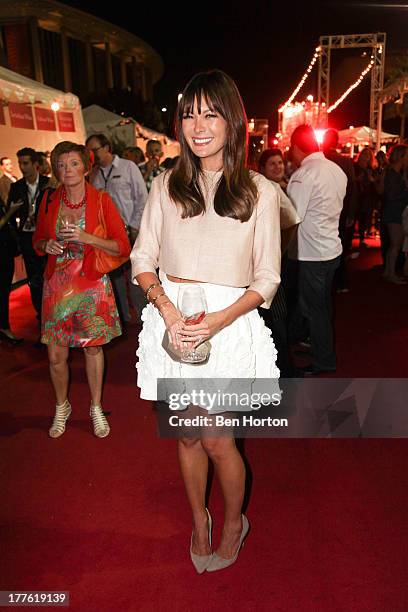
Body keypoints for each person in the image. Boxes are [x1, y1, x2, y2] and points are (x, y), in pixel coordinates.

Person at [131, 69, 281, 572]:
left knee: (219, 438)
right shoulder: (164, 185)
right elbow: (141, 258)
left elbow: (268, 278)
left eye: (210, 113)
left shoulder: (258, 190)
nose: (198, 125)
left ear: (231, 121)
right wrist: (168, 309)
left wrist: (219, 319)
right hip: (172, 320)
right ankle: (200, 519)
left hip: (229, 323)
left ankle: (235, 520)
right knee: (187, 435)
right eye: (189, 114)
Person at [33, 141, 131, 438]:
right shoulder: (49, 199)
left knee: (93, 349)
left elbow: (121, 246)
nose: (67, 170)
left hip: (91, 283)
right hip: (57, 285)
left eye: (74, 163)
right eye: (61, 165)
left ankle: (96, 407)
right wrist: (45, 245)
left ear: (86, 167)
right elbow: (37, 240)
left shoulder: (101, 200)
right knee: (55, 356)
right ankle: (62, 406)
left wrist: (87, 237)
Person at [287, 125, 346, 375]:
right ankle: (311, 342)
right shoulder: (336, 170)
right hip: (331, 248)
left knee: (316, 308)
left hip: (312, 253)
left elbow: (290, 215)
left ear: (296, 148)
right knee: (319, 305)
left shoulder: (305, 174)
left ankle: (324, 360)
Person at [86, 133, 148, 323]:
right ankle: (122, 316)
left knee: (137, 275)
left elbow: (142, 198)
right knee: (115, 278)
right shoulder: (93, 173)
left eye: (95, 149)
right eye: (88, 151)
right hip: (107, 237)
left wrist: (134, 227)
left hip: (132, 230)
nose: (92, 154)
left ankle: (144, 316)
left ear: (107, 147)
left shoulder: (128, 167)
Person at [257, 148, 300, 376]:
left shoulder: (271, 187)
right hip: (270, 266)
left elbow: (291, 222)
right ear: (261, 168)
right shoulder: (271, 188)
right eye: (272, 164)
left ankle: (281, 367)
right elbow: (292, 222)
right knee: (276, 317)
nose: (278, 167)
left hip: (264, 266)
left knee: (272, 318)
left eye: (280, 163)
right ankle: (283, 368)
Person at [7, 148, 50, 325]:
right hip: (27, 239)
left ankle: (55, 315)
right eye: (20, 163)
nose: (22, 167)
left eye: (25, 163)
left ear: (36, 164)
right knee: (34, 280)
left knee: (50, 278)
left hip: (47, 238)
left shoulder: (49, 184)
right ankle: (42, 318)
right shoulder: (16, 187)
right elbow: (10, 212)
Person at [322, 128, 358, 292]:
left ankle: (330, 281)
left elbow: (352, 188)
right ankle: (339, 281)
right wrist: (351, 212)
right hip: (340, 210)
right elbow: (353, 189)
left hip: (323, 210)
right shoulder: (344, 161)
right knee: (339, 244)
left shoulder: (319, 159)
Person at [382, 143, 408, 284]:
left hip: (394, 211)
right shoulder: (393, 173)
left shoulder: (395, 173)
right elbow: (391, 195)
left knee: (393, 244)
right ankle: (391, 273)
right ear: (401, 156)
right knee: (396, 244)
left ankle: (388, 272)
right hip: (394, 212)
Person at [0, 197, 23, 344]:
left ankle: (4, 327)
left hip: (5, 248)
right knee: (2, 291)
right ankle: (4, 327)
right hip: (2, 251)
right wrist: (11, 212)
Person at [354, 147, 377, 248]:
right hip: (355, 196)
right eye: (364, 154)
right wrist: (357, 179)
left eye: (368, 155)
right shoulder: (354, 166)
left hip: (367, 198)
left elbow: (375, 184)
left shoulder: (371, 169)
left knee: (364, 219)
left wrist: (371, 179)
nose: (366, 156)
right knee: (353, 217)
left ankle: (361, 239)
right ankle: (349, 239)